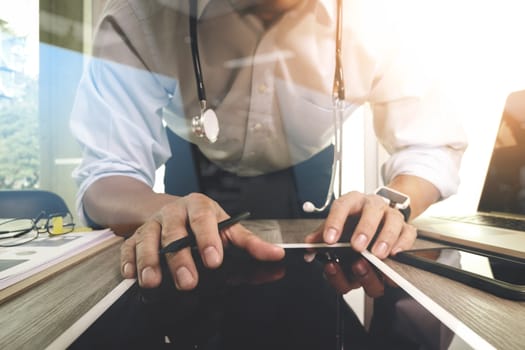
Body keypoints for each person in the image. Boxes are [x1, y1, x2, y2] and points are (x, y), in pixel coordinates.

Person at [70, 0, 467, 292]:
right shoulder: (140, 13)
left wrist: (391, 201)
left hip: (310, 188)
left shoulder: (382, 18)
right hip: (191, 179)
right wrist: (160, 209)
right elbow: (108, 174)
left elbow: (431, 144)